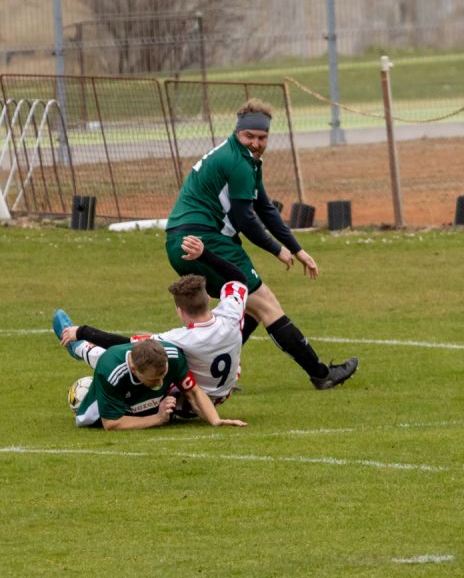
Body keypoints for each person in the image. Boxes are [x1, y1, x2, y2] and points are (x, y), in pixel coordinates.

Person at [165, 98, 358, 390]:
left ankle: (212, 376)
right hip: (204, 240)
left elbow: (265, 208)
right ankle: (321, 374)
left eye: (262, 137)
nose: (255, 143)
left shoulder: (243, 159)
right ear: (238, 132)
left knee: (245, 307)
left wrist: (297, 249)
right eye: (249, 136)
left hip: (183, 240)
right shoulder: (237, 161)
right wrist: (277, 249)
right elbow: (243, 217)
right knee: (267, 306)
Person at [56, 235, 248, 412]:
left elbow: (126, 343)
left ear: (180, 312)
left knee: (132, 357)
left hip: (186, 402)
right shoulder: (231, 314)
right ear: (207, 297)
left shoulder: (181, 338)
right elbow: (239, 278)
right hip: (223, 394)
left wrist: (83, 332)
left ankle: (80, 348)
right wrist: (204, 254)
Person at [58, 337, 246, 430]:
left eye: (163, 374)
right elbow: (111, 423)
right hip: (112, 383)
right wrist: (157, 418)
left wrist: (215, 420)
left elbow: (193, 391)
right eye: (154, 379)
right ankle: (76, 345)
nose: (162, 382)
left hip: (132, 378)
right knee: (85, 417)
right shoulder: (111, 372)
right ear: (135, 371)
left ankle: (78, 346)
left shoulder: (171, 356)